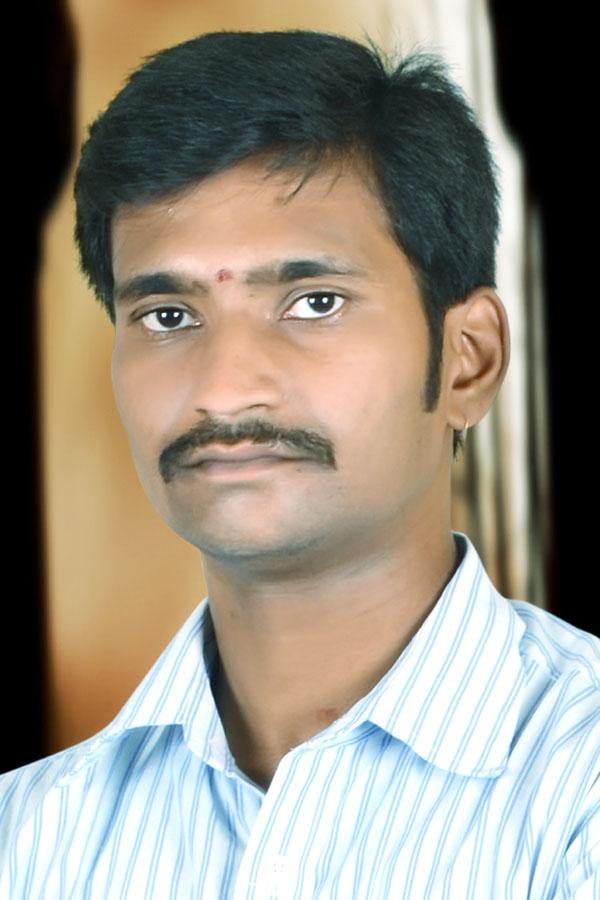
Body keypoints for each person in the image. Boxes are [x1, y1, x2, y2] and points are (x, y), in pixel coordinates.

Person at [1, 28, 598, 899]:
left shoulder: (581, 784)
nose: (224, 388)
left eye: (314, 302)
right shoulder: (30, 837)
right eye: (168, 316)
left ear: (468, 361)